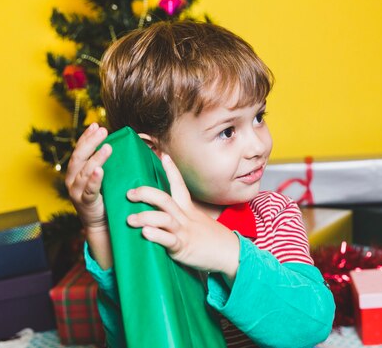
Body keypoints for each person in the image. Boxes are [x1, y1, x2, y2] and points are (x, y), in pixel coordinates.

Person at [65, 21, 335, 348]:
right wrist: (98, 225)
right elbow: (134, 333)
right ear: (154, 150)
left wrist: (227, 254)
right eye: (227, 132)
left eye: (259, 117)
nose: (258, 146)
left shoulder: (274, 215)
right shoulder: (152, 221)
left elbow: (312, 322)